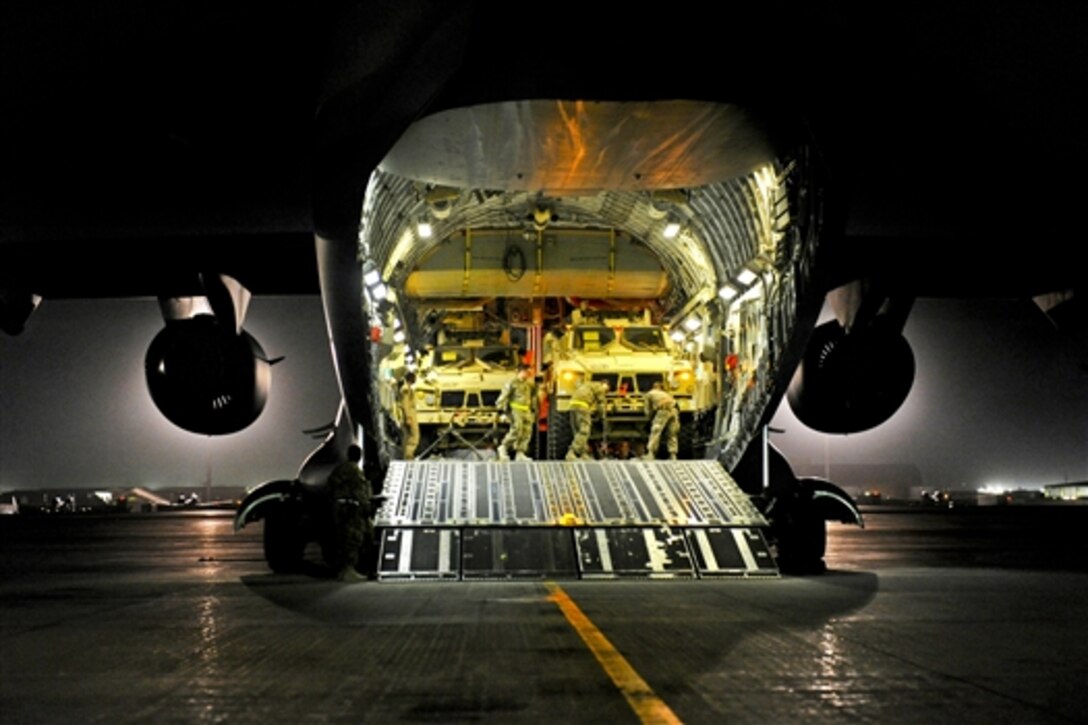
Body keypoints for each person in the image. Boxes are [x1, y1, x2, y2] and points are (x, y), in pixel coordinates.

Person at [327, 444, 374, 582]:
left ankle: (343, 571)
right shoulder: (354, 471)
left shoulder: (339, 469)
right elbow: (359, 492)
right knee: (353, 539)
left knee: (342, 539)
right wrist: (367, 507)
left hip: (339, 508)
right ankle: (349, 570)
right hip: (351, 510)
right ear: (358, 456)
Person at [496, 364, 537, 461]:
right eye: (527, 372)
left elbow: (533, 397)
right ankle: (503, 447)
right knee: (516, 430)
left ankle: (520, 452)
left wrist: (533, 410)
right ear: (521, 371)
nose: (528, 374)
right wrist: (502, 412)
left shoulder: (529, 384)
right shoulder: (512, 383)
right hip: (516, 410)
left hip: (526, 410)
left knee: (527, 431)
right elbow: (503, 397)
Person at [566, 379, 609, 461]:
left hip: (572, 406)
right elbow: (601, 405)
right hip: (583, 407)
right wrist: (602, 417)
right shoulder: (600, 387)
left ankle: (583, 454)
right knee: (584, 431)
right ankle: (572, 453)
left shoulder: (587, 385)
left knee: (577, 431)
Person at [642, 381, 679, 460]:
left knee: (655, 432)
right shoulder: (666, 394)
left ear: (653, 387)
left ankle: (650, 454)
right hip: (674, 411)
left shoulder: (650, 393)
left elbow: (648, 409)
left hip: (663, 411)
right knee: (672, 433)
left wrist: (649, 418)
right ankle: (673, 455)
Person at [399, 371, 420, 459]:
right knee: (414, 436)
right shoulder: (406, 389)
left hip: (408, 415)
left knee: (407, 437)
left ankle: (406, 456)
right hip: (409, 415)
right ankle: (408, 456)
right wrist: (408, 417)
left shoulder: (406, 388)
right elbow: (406, 403)